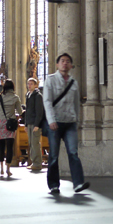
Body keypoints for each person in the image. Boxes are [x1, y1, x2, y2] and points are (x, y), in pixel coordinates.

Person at [43, 53, 90, 194]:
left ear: (71, 65)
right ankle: (53, 185)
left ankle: (78, 183)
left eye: (68, 61)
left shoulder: (74, 83)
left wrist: (77, 120)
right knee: (54, 155)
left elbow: (76, 104)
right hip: (55, 123)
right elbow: (47, 101)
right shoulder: (50, 80)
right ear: (57, 64)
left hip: (70, 123)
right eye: (62, 61)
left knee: (73, 153)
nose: (65, 63)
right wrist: (51, 120)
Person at [0, 79, 22, 178]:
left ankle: (1, 168)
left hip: (1, 122)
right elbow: (20, 111)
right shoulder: (15, 98)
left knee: (1, 145)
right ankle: (8, 169)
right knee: (9, 146)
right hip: (11, 123)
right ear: (13, 87)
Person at [24, 78, 46, 172]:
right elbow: (27, 111)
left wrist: (37, 124)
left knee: (35, 143)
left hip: (35, 123)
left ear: (36, 85)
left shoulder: (38, 96)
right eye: (28, 84)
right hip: (29, 122)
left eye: (31, 84)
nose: (29, 86)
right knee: (31, 143)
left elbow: (39, 112)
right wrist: (25, 124)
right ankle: (34, 162)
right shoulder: (28, 95)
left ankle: (37, 163)